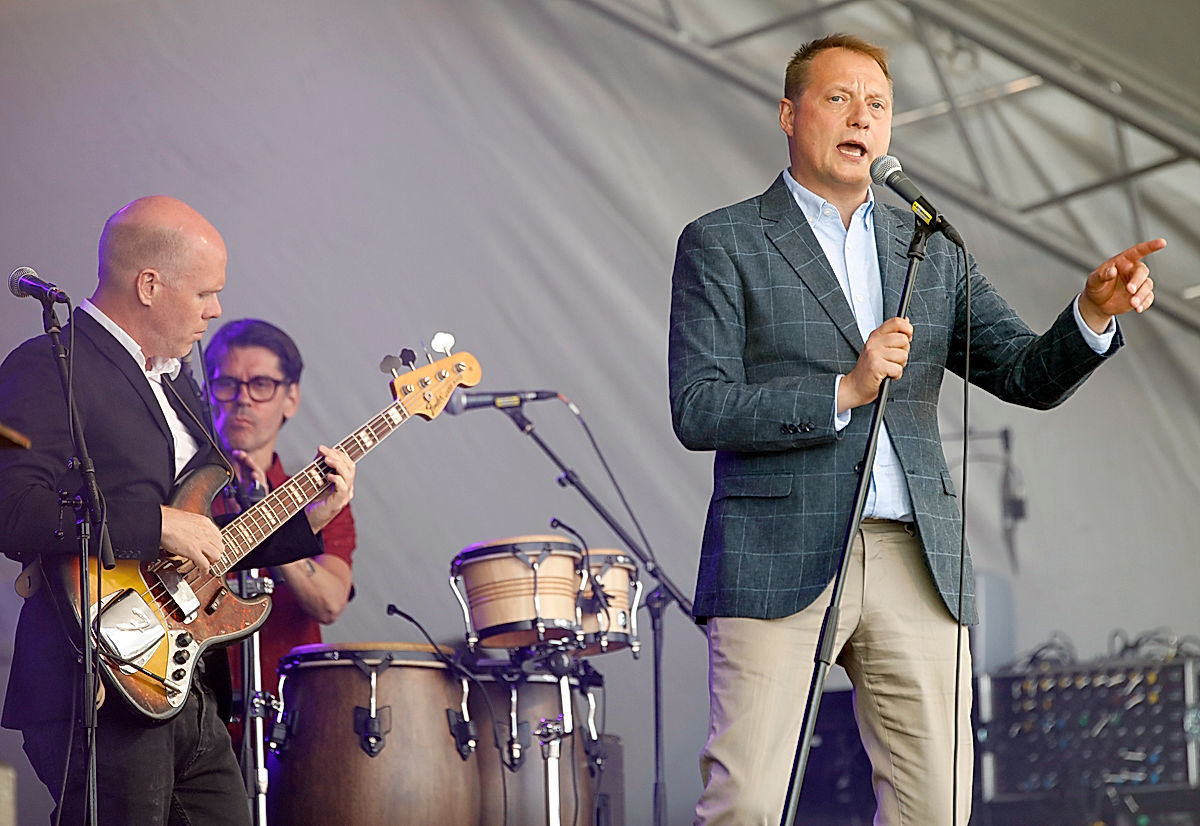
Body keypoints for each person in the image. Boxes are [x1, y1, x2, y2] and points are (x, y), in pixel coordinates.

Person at [667, 34, 1162, 826]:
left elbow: (1025, 373)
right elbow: (698, 405)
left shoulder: (928, 245)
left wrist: (1092, 314)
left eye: (878, 103)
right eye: (839, 98)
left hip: (913, 553)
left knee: (936, 807)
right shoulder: (724, 240)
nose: (861, 115)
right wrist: (844, 388)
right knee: (748, 802)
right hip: (777, 548)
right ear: (790, 114)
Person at [0, 196, 356, 824]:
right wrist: (160, 524)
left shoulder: (176, 384)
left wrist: (310, 520)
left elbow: (204, 540)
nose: (216, 310)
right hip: (95, 684)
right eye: (204, 294)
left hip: (180, 682)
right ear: (148, 285)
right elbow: (10, 507)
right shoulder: (47, 365)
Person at [203, 318, 356, 720]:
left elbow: (329, 602)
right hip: (190, 714)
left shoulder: (320, 497)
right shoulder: (174, 490)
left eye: (262, 385)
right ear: (206, 392)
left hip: (288, 722)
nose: (243, 399)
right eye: (227, 383)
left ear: (291, 398)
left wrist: (271, 526)